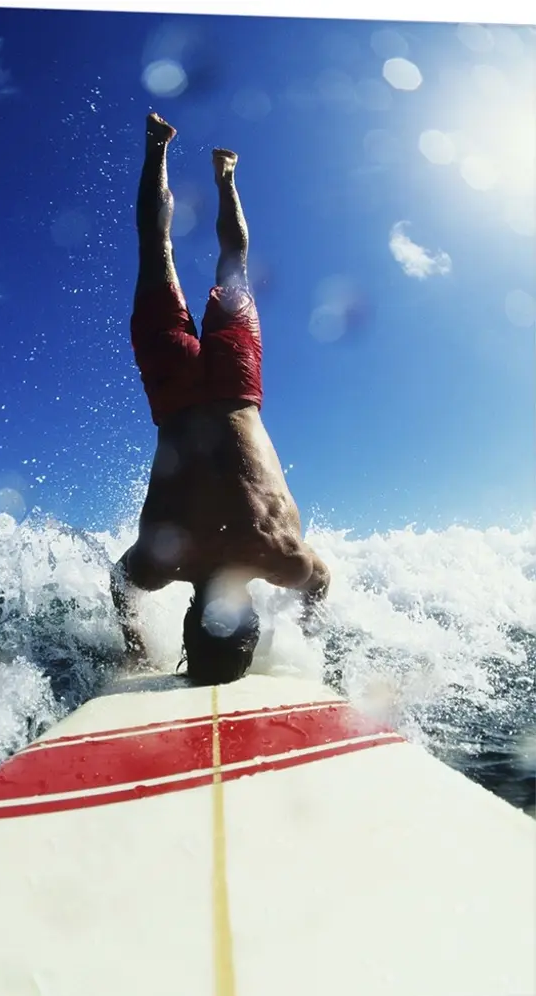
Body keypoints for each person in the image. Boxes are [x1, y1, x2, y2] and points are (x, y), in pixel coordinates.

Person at [111, 112, 330, 685]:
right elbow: (119, 584)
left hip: (236, 387)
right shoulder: (157, 565)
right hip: (176, 391)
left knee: (235, 263)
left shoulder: (281, 555)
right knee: (154, 247)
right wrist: (135, 646)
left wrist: (309, 631)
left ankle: (225, 177)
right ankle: (158, 146)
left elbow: (320, 583)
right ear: (188, 620)